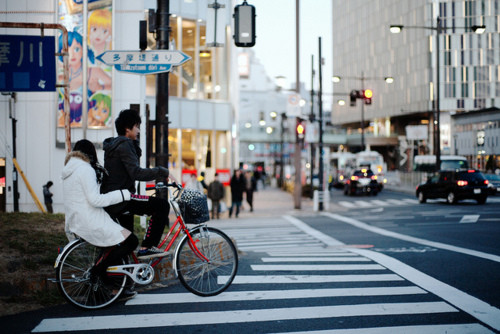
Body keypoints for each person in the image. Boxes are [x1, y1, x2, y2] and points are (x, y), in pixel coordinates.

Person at [61, 139, 138, 295]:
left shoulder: (69, 171)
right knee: (131, 241)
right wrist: (122, 194)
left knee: (112, 247)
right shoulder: (85, 169)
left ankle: (114, 286)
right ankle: (99, 272)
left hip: (77, 221)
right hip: (92, 221)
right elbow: (95, 199)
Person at [101, 109, 170, 259]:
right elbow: (137, 173)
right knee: (162, 206)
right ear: (128, 128)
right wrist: (162, 172)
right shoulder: (124, 145)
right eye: (137, 126)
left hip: (115, 198)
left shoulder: (113, 145)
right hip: (122, 198)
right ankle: (148, 247)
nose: (138, 130)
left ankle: (119, 279)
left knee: (126, 243)